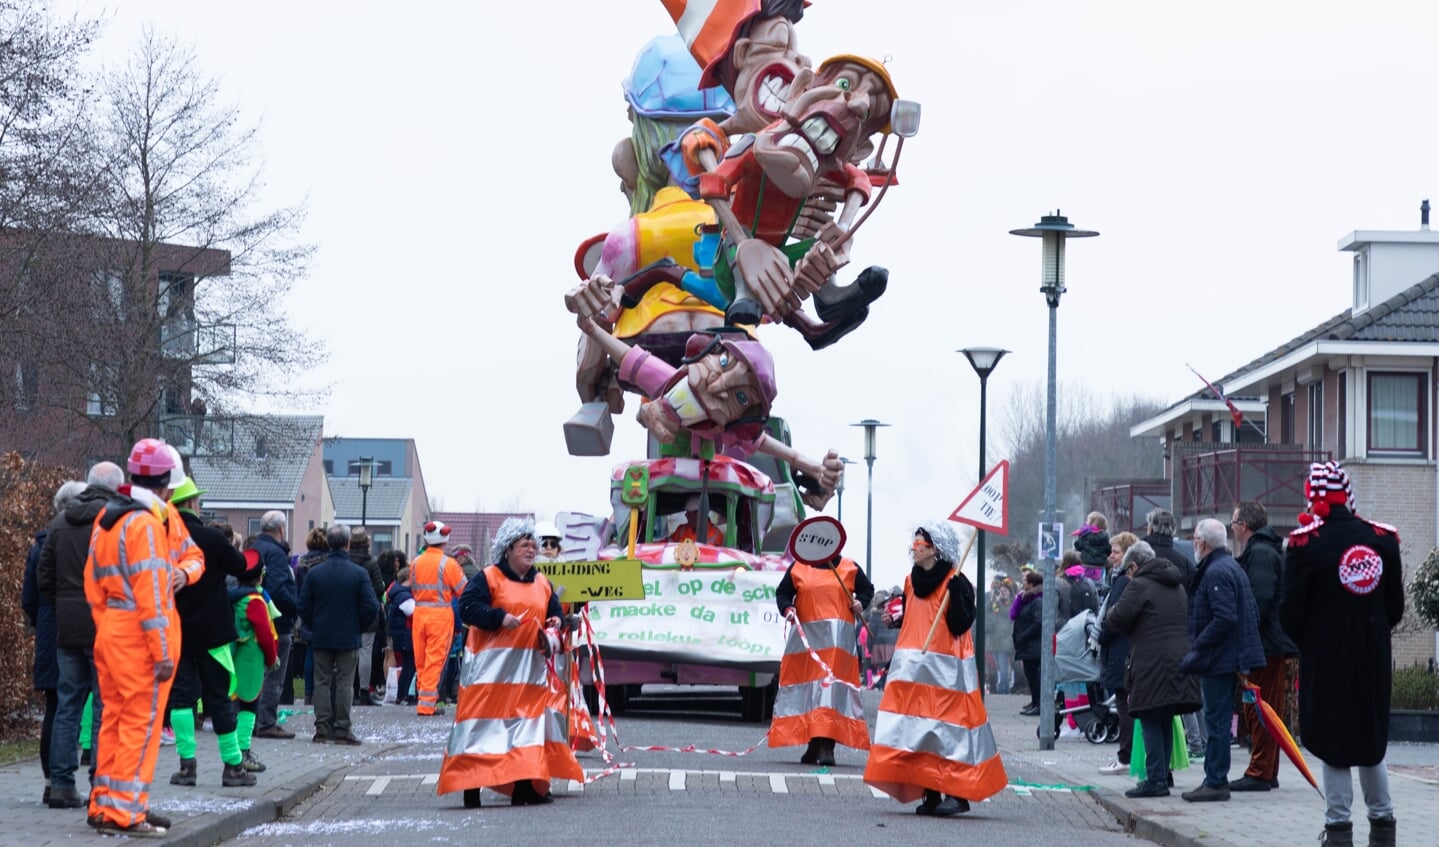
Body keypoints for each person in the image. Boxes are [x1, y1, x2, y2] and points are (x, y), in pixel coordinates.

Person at [85, 438, 205, 837]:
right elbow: (153, 597)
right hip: (141, 637)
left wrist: (107, 626)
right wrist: (163, 652)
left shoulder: (108, 518)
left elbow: (92, 584)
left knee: (113, 720)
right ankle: (128, 811)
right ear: (169, 485)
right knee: (142, 723)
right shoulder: (149, 524)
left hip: (112, 632)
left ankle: (104, 803)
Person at [1281, 462, 1404, 847]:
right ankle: (1383, 826)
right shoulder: (1382, 539)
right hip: (1372, 656)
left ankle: (1338, 831)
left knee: (1332, 741)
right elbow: (1395, 608)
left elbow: (1290, 613)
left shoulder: (1305, 544)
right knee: (1371, 741)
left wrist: (1314, 640)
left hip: (1326, 657)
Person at [438, 518, 583, 808]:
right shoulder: (488, 578)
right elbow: (467, 608)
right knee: (480, 729)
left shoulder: (542, 582)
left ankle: (524, 789)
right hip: (489, 678)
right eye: (524, 545)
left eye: (533, 545)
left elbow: (552, 612)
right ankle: (471, 788)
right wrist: (498, 617)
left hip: (527, 677)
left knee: (525, 729)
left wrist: (556, 621)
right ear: (508, 549)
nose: (531, 550)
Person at [864, 522, 1006, 817]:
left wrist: (956, 597)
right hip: (914, 673)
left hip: (948, 676)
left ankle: (958, 794)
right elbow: (917, 615)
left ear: (936, 550)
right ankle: (930, 792)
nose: (914, 551)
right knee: (919, 732)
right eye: (913, 546)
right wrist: (896, 619)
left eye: (920, 546)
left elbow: (959, 624)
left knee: (949, 734)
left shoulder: (957, 582)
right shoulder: (909, 581)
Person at [38, 462, 123, 809]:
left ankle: (60, 784)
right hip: (106, 626)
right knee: (105, 708)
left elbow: (45, 577)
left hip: (68, 628)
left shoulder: (59, 523)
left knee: (67, 706)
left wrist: (63, 608)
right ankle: (99, 786)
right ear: (117, 488)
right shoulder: (116, 522)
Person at [167, 473, 255, 788]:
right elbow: (241, 567)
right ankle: (232, 766)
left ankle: (186, 767)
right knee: (218, 697)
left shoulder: (161, 538)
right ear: (192, 503)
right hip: (213, 633)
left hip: (175, 632)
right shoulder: (211, 538)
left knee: (180, 698)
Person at [1104, 541, 1202, 799]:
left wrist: (1114, 609)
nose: (1127, 575)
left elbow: (1115, 618)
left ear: (1134, 566)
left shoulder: (1139, 585)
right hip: (1179, 658)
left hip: (1151, 661)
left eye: (1128, 571)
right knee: (1165, 718)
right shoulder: (1177, 584)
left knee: (1149, 718)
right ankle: (1164, 775)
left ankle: (1156, 779)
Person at [1178, 518, 1266, 803]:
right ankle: (1215, 778)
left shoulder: (1216, 572)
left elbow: (1225, 617)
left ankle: (1215, 781)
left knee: (1216, 721)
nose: (1193, 543)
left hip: (1219, 660)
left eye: (1194, 538)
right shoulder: (1230, 567)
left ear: (1202, 543)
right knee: (1219, 720)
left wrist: (1198, 647)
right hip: (1229, 657)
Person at [770, 548, 874, 765]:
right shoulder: (799, 566)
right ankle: (813, 743)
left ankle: (827, 745)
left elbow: (867, 590)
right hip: (807, 643)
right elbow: (783, 593)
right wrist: (787, 608)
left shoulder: (849, 567)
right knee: (809, 691)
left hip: (837, 645)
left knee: (829, 693)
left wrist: (861, 603)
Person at [1229, 500, 1299, 793]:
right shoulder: (1266, 550)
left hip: (1265, 647)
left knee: (1261, 710)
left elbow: (1259, 598)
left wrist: (1245, 633)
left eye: (1233, 523)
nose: (1232, 528)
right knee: (1262, 709)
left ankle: (1260, 771)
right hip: (1268, 644)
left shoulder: (1259, 554)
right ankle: (1266, 770)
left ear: (1243, 526)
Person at [23, 479, 83, 805]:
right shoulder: (85, 541)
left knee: (54, 708)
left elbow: (29, 599)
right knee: (71, 706)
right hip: (76, 632)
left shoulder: (40, 545)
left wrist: (43, 623)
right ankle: (65, 780)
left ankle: (51, 781)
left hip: (49, 632)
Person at [298, 524, 381, 745]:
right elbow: (372, 606)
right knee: (345, 682)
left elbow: (303, 605)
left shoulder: (315, 573)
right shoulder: (359, 573)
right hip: (348, 635)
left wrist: (314, 624)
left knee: (321, 681)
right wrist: (359, 625)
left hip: (322, 635)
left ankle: (322, 729)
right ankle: (343, 729)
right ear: (347, 544)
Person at [229, 548, 280, 774]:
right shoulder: (255, 601)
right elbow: (265, 634)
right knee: (250, 705)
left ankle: (235, 752)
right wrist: (271, 657)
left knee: (233, 706)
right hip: (251, 658)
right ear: (260, 577)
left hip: (234, 656)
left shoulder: (233, 596)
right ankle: (243, 752)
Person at [252, 511, 299, 740]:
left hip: (251, 619)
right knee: (274, 673)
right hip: (276, 624)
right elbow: (279, 590)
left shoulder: (253, 549)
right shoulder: (277, 554)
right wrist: (295, 607)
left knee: (254, 673)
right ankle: (267, 722)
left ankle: (249, 720)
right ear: (281, 529)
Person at [1097, 531, 1140, 775]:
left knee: (1124, 704)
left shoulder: (1122, 581)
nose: (1111, 556)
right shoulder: (1123, 580)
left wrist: (1102, 637)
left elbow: (1114, 617)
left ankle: (1125, 757)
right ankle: (1129, 756)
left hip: (1119, 651)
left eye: (1116, 551)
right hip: (1126, 649)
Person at [347, 528, 386, 706]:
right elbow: (380, 588)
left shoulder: (345, 561)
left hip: (347, 612)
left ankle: (348, 689)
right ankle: (364, 691)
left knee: (348, 652)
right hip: (368, 614)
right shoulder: (371, 563)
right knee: (365, 652)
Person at [292, 528, 329, 706]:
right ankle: (321, 691)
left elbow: (299, 590)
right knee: (325, 655)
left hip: (307, 611)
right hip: (325, 610)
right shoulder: (328, 562)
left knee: (309, 652)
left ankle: (308, 692)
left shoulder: (301, 564)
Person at [1011, 570, 1045, 716]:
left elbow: (1038, 623)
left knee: (1034, 675)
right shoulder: (1027, 599)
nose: (1023, 583)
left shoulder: (1037, 601)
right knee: (1030, 675)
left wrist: (1023, 636)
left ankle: (1039, 704)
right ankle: (1034, 701)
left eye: (1025, 581)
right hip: (1027, 645)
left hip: (1033, 645)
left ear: (1032, 584)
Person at [386, 566, 417, 706]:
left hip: (402, 635)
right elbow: (413, 612)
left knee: (408, 665)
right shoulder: (404, 596)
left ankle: (402, 694)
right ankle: (402, 694)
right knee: (409, 666)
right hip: (406, 635)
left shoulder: (397, 593)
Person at [985, 577, 1016, 695]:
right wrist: (992, 598)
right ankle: (1003, 688)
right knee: (998, 667)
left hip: (1004, 641)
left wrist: (998, 601)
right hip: (994, 640)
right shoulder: (995, 602)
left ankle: (1003, 689)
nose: (1003, 593)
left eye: (1005, 591)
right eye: (1001, 591)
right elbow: (985, 610)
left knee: (1003, 667)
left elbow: (1007, 614)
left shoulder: (1012, 602)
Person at [1071, 512, 1112, 585]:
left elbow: (1078, 546)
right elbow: (1108, 550)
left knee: (1084, 585)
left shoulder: (1085, 534)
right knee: (1098, 585)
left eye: (1087, 520)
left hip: (1086, 565)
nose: (1085, 522)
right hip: (1099, 567)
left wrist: (1080, 536)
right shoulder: (1105, 536)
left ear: (1092, 523)